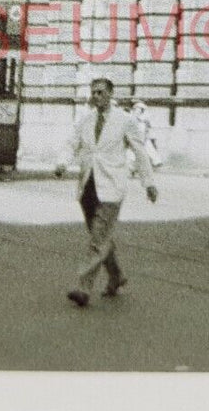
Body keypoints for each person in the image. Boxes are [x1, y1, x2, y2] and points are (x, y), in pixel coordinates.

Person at [56, 78, 157, 306]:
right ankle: (116, 277)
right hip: (88, 186)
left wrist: (148, 182)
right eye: (94, 93)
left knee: (98, 238)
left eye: (101, 92)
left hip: (112, 186)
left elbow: (140, 152)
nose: (97, 97)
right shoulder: (85, 119)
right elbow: (72, 143)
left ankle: (83, 288)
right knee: (100, 237)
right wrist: (62, 163)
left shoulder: (125, 121)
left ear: (111, 94)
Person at [127, 100, 163, 175]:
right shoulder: (131, 118)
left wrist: (146, 135)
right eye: (137, 109)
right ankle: (133, 169)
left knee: (148, 149)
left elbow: (147, 129)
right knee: (132, 155)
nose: (138, 111)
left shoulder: (145, 119)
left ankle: (156, 162)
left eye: (140, 109)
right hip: (134, 139)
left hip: (143, 139)